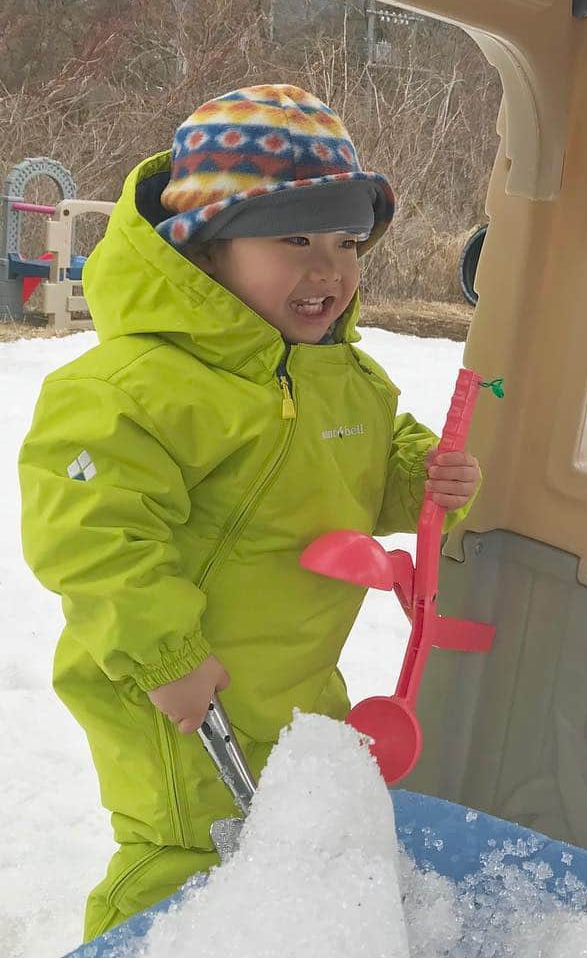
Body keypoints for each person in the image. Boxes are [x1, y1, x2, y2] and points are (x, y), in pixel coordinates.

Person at [18, 84, 481, 940]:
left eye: (347, 242)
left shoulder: (340, 376)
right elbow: (91, 534)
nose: (329, 269)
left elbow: (373, 461)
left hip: (302, 688)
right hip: (178, 692)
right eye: (294, 238)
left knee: (282, 855)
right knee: (186, 861)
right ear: (207, 249)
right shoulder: (133, 388)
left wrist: (427, 480)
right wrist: (167, 654)